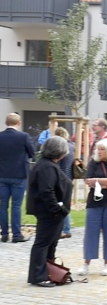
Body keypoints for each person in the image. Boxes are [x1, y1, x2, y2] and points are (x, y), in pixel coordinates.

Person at [26, 137, 72, 287]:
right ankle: (38, 276)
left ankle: (48, 272)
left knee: (50, 243)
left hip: (51, 212)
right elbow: (47, 191)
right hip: (49, 213)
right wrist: (57, 210)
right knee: (43, 243)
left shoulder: (47, 165)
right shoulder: (47, 167)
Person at [78, 140, 107, 277]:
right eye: (98, 149)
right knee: (90, 233)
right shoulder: (94, 163)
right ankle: (86, 263)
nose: (99, 152)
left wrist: (98, 181)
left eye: (102, 149)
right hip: (95, 201)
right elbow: (88, 181)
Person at [0, 113, 36, 243]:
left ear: (6, 123)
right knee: (16, 205)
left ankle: (4, 234)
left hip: (2, 175)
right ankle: (16, 235)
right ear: (19, 123)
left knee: (3, 205)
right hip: (19, 175)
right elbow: (32, 153)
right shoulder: (24, 136)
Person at [54, 128, 74, 239]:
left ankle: (65, 229)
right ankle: (66, 228)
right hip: (69, 178)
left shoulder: (60, 148)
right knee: (65, 203)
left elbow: (58, 165)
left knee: (61, 204)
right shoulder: (71, 146)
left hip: (61, 178)